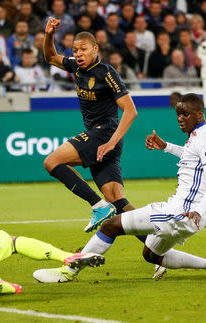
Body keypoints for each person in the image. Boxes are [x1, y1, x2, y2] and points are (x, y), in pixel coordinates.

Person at [33, 93, 206, 283]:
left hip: (183, 212)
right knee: (151, 254)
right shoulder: (198, 135)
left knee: (111, 225)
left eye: (185, 114)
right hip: (186, 213)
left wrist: (199, 209)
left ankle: (68, 271)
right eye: (178, 114)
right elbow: (191, 157)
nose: (180, 119)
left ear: (199, 114)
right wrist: (166, 147)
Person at [43, 17, 139, 233]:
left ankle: (97, 207)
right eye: (75, 50)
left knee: (52, 162)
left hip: (105, 134)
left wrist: (112, 142)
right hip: (100, 138)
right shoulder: (76, 67)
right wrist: (49, 35)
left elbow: (131, 110)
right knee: (116, 199)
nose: (78, 54)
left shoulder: (106, 72)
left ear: (95, 49)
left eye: (83, 49)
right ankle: (156, 245)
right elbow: (50, 56)